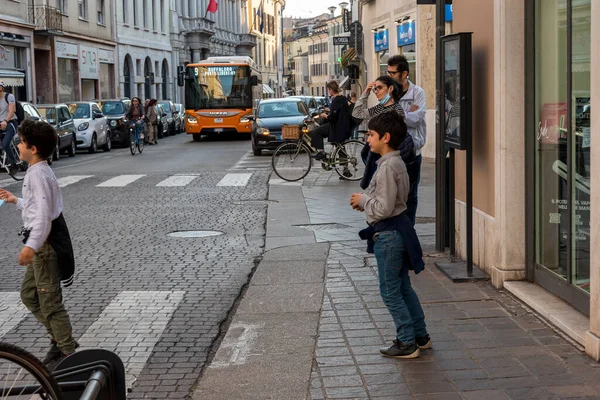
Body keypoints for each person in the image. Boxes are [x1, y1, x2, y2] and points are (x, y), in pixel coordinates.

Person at [349, 111, 430, 359]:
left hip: (389, 236)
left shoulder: (386, 168)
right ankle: (420, 335)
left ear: (385, 137)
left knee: (390, 291)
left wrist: (363, 200)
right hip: (399, 231)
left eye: (371, 135)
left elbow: (384, 207)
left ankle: (407, 342)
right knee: (403, 287)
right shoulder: (396, 163)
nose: (368, 140)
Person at [0, 120, 78, 371]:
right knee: (29, 295)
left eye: (21, 142)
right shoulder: (37, 171)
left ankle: (68, 354)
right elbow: (37, 207)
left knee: (51, 304)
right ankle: (57, 337)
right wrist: (16, 201)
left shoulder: (39, 175)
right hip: (41, 245)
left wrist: (31, 246)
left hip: (44, 247)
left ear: (33, 149)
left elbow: (44, 216)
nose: (18, 145)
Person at [352, 76, 416, 196]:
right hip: (376, 154)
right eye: (375, 89)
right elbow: (357, 112)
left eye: (379, 88)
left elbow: (397, 135)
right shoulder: (379, 108)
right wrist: (366, 93)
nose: (376, 92)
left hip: (387, 156)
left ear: (390, 88)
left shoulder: (397, 110)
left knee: (384, 190)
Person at [387, 55, 427, 225]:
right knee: (391, 193)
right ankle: (396, 231)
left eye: (392, 73)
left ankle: (409, 229)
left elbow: (416, 120)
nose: (389, 76)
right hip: (391, 151)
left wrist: (396, 112)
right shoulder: (388, 92)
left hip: (412, 151)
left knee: (411, 194)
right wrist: (406, 113)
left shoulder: (417, 92)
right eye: (387, 72)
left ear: (403, 74)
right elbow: (385, 119)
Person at [310, 81, 353, 162]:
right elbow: (340, 111)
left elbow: (332, 117)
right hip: (343, 126)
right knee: (340, 145)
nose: (328, 91)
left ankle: (321, 152)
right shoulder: (343, 98)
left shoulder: (336, 100)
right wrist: (330, 110)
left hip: (336, 126)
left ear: (331, 90)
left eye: (328, 89)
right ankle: (345, 168)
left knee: (316, 132)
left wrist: (325, 116)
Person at [0, 81, 19, 169]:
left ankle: (13, 163)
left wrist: (5, 121)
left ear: (1, 88)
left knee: (5, 144)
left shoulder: (9, 96)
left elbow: (12, 111)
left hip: (10, 122)